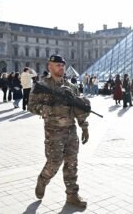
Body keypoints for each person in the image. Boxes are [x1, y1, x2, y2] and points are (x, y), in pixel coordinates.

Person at [28, 55, 90, 208]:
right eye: (57, 65)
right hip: (53, 131)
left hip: (71, 130)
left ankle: (72, 195)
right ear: (50, 66)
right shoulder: (41, 86)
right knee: (54, 163)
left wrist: (84, 126)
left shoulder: (71, 86)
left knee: (71, 164)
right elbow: (31, 106)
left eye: (62, 65)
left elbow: (78, 108)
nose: (61, 68)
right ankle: (43, 179)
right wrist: (47, 108)